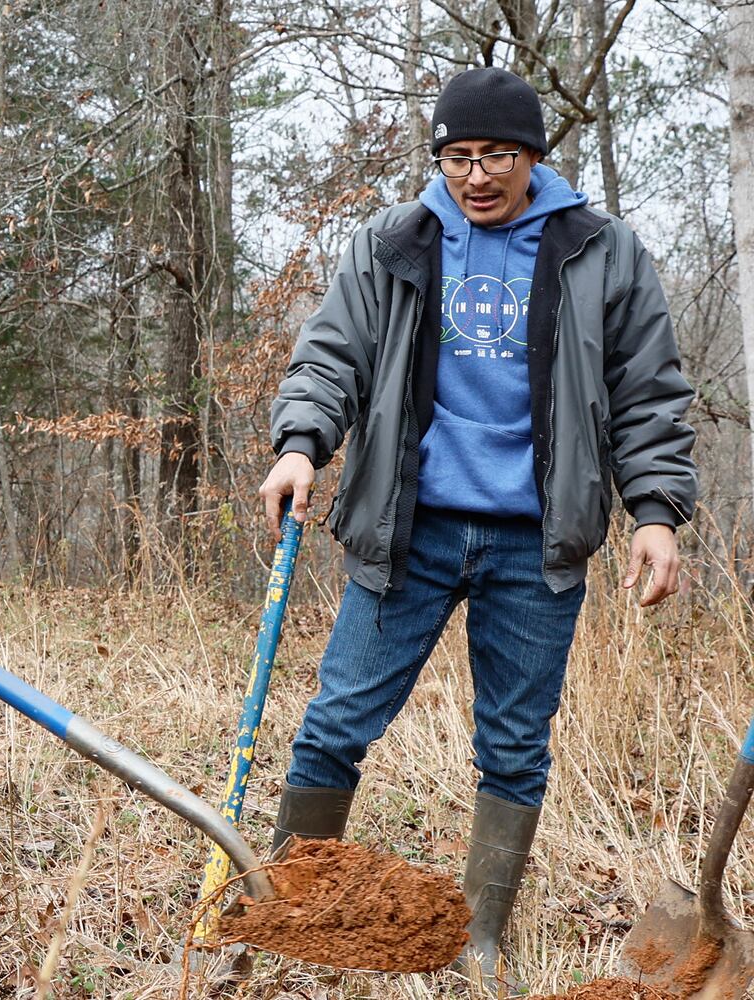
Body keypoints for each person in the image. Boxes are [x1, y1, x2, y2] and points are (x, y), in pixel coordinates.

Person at [259, 67, 696, 989]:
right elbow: (329, 354)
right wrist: (301, 444)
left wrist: (655, 511)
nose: (476, 175)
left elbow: (649, 395)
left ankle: (481, 939)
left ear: (534, 155)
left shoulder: (601, 250)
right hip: (405, 530)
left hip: (536, 543)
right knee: (335, 722)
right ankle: (287, 912)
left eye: (496, 154)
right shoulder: (397, 239)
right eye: (457, 157)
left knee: (512, 746)